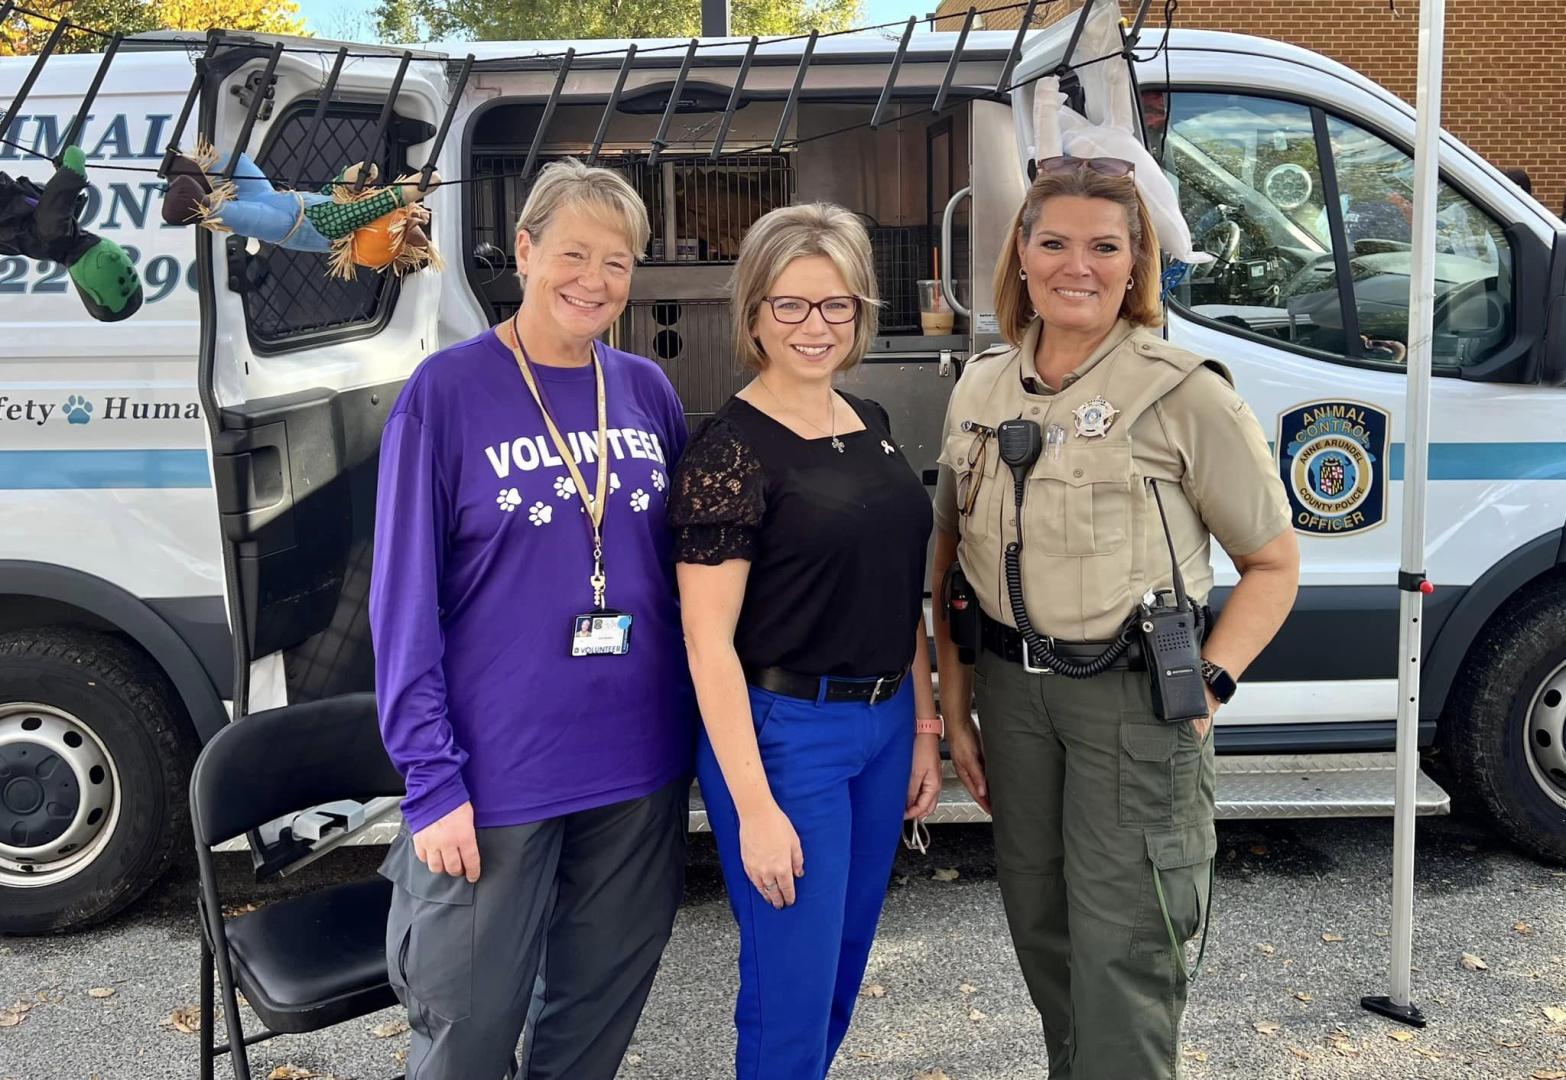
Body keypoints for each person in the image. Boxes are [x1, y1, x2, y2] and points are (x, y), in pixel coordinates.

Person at [930, 156, 1300, 1079]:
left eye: (1105, 246)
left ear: (1138, 264)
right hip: (1015, 704)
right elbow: (950, 562)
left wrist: (1211, 679)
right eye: (1053, 242)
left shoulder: (1183, 392)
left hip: (1134, 707)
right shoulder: (979, 390)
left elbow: (1272, 563)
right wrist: (957, 699)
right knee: (1044, 936)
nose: (1076, 266)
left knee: (1128, 955)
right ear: (1020, 253)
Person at [369, 159, 694, 1080]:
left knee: (591, 1032)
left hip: (637, 768)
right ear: (524, 250)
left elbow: (679, 575)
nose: (594, 280)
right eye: (573, 253)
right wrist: (430, 780)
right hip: (495, 775)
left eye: (619, 262)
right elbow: (402, 602)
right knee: (466, 1035)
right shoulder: (446, 393)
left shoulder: (645, 391)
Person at [669, 202, 943, 1079]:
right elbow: (707, 644)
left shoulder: (869, 418)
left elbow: (900, 592)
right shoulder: (727, 452)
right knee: (789, 989)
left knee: (840, 973)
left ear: (861, 313)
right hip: (786, 737)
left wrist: (924, 725)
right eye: (790, 305)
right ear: (753, 314)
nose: (814, 326)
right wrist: (752, 809)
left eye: (836, 306)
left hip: (885, 722)